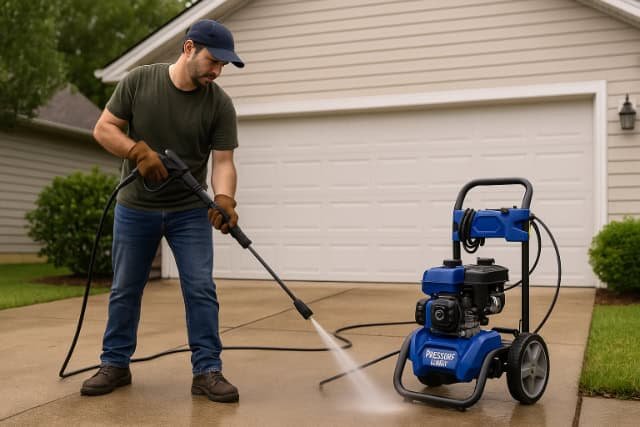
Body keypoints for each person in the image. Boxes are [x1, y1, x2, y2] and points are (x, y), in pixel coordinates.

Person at [81, 19, 244, 403]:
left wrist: (225, 200)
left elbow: (223, 161)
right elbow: (104, 129)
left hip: (190, 210)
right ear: (189, 49)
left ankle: (207, 371)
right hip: (136, 206)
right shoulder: (140, 81)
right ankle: (115, 364)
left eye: (223, 66)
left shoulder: (218, 103)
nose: (217, 71)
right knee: (125, 289)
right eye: (213, 60)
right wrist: (137, 151)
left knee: (201, 288)